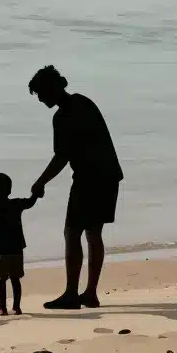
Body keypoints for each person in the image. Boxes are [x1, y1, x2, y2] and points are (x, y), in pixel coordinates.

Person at [29, 65, 124, 310]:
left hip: (89, 178)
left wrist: (40, 182)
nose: (40, 99)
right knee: (93, 233)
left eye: (41, 93)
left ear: (52, 89)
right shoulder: (83, 102)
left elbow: (62, 156)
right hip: (108, 174)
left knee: (72, 233)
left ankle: (72, 293)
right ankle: (90, 293)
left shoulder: (63, 116)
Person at [0, 173, 38, 315]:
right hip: (17, 249)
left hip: (2, 251)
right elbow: (30, 202)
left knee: (1, 280)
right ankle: (16, 307)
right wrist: (36, 193)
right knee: (15, 279)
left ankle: (2, 308)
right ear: (9, 190)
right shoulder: (16, 204)